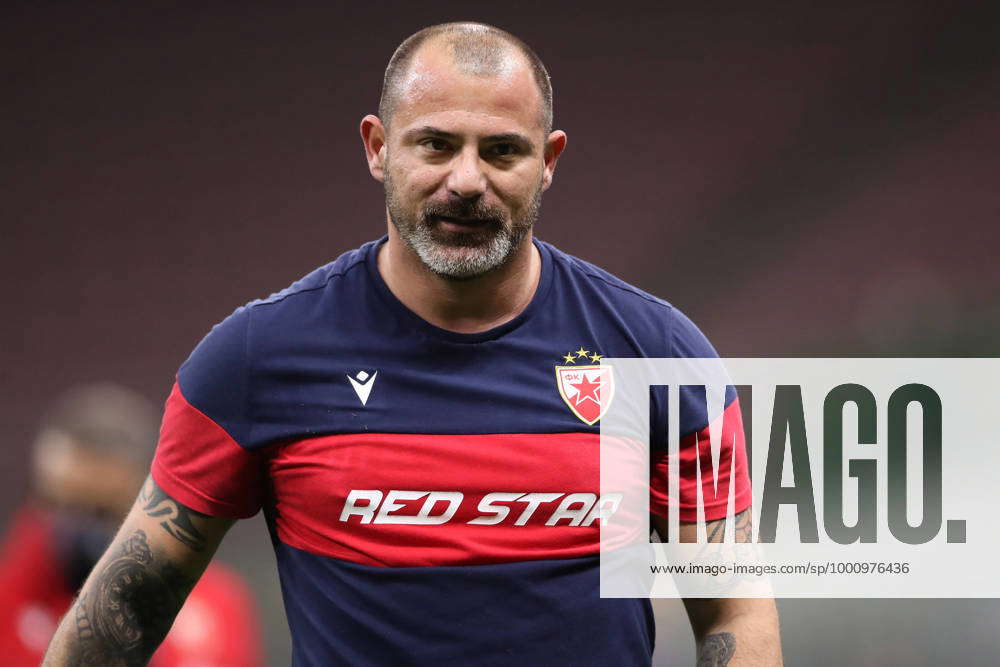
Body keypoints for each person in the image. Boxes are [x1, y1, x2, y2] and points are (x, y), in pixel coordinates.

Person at [44, 22, 781, 666]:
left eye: (502, 150)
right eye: (435, 144)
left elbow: (733, 610)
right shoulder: (255, 359)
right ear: (377, 146)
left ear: (549, 160)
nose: (467, 179)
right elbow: (128, 605)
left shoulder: (659, 355)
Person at [1, 382, 264, 666]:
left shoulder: (212, 608)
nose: (79, 526)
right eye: (64, 505)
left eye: (101, 512)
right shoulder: (9, 600)